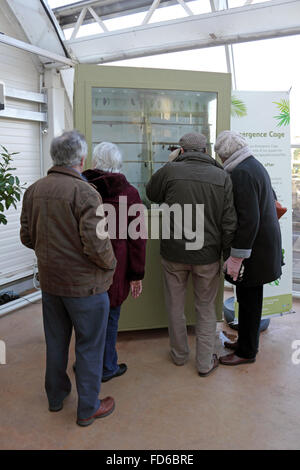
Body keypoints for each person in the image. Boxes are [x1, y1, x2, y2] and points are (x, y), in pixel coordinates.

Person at [20, 130, 117, 427]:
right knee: (89, 346)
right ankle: (88, 408)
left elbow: (26, 236)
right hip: (85, 287)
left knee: (56, 341)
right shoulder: (85, 192)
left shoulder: (34, 189)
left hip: (50, 284)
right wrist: (110, 266)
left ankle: (56, 396)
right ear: (81, 158)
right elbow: (98, 245)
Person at [146, 132, 237, 376]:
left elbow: (151, 193)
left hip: (173, 254)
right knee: (206, 309)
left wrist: (170, 163)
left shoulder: (170, 170)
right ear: (206, 151)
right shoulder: (222, 176)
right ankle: (205, 363)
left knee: (175, 306)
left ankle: (179, 356)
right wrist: (228, 255)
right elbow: (229, 221)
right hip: (207, 256)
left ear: (181, 151)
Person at [214, 130, 282, 366]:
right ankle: (245, 342)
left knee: (250, 302)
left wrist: (236, 257)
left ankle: (246, 352)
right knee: (246, 298)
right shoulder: (254, 164)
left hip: (255, 250)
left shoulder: (241, 173)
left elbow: (248, 219)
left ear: (225, 155)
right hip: (262, 246)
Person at [83, 142, 146, 382]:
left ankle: (88, 364)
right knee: (110, 318)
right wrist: (136, 274)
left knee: (86, 319)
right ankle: (107, 366)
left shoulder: (83, 188)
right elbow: (137, 239)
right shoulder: (128, 193)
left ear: (95, 162)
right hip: (116, 267)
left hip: (85, 264)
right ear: (118, 164)